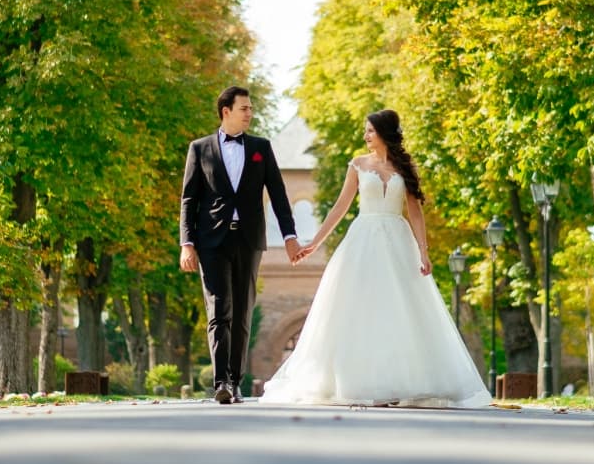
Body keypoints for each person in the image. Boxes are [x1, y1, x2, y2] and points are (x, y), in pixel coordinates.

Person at [261, 109, 491, 408]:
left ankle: (402, 381)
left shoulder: (404, 167)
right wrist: (314, 243)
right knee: (360, 308)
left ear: (384, 132)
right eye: (365, 130)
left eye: (370, 130)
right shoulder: (357, 165)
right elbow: (340, 208)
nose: (366, 135)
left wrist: (423, 250)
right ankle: (358, 380)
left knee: (400, 309)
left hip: (398, 240)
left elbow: (415, 211)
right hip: (363, 240)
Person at [180, 86, 301, 404]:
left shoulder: (261, 147)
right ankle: (221, 383)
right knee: (219, 310)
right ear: (226, 111)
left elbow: (278, 194)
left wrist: (289, 236)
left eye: (250, 108)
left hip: (248, 240)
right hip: (211, 241)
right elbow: (189, 200)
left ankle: (235, 381)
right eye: (244, 108)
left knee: (243, 310)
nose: (250, 113)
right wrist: (187, 243)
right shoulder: (200, 148)